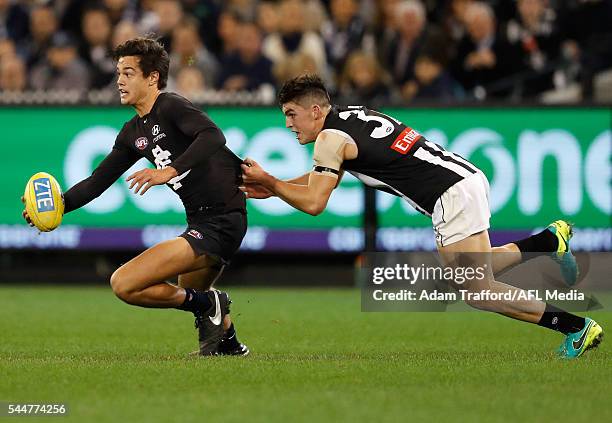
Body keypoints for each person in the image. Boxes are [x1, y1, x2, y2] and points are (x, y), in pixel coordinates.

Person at [240, 74, 603, 359]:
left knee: (476, 290)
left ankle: (575, 326)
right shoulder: (351, 119)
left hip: (449, 194)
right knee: (474, 275)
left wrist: (270, 180)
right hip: (466, 178)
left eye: (292, 114)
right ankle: (549, 240)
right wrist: (274, 187)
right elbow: (323, 180)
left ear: (316, 110)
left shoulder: (328, 139)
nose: (289, 124)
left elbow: (316, 203)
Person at [21, 37, 249, 357]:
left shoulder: (170, 105)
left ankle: (210, 305)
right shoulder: (132, 132)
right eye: (118, 73)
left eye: (128, 73)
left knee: (124, 283)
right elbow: (98, 181)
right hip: (202, 221)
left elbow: (213, 135)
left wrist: (168, 171)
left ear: (152, 77)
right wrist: (58, 206)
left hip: (223, 218)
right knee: (193, 293)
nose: (119, 80)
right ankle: (228, 344)